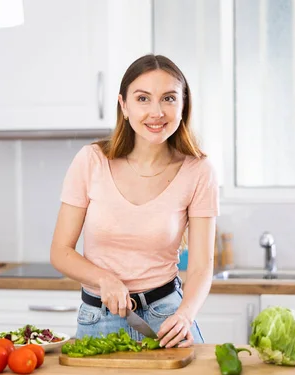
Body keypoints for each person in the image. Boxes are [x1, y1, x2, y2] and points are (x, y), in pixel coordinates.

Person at [50, 54, 219, 348]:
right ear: (124, 106)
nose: (156, 112)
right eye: (143, 99)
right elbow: (60, 251)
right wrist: (104, 279)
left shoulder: (199, 171)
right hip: (97, 319)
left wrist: (184, 316)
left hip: (166, 317)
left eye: (168, 98)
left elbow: (202, 266)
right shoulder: (91, 161)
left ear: (183, 106)